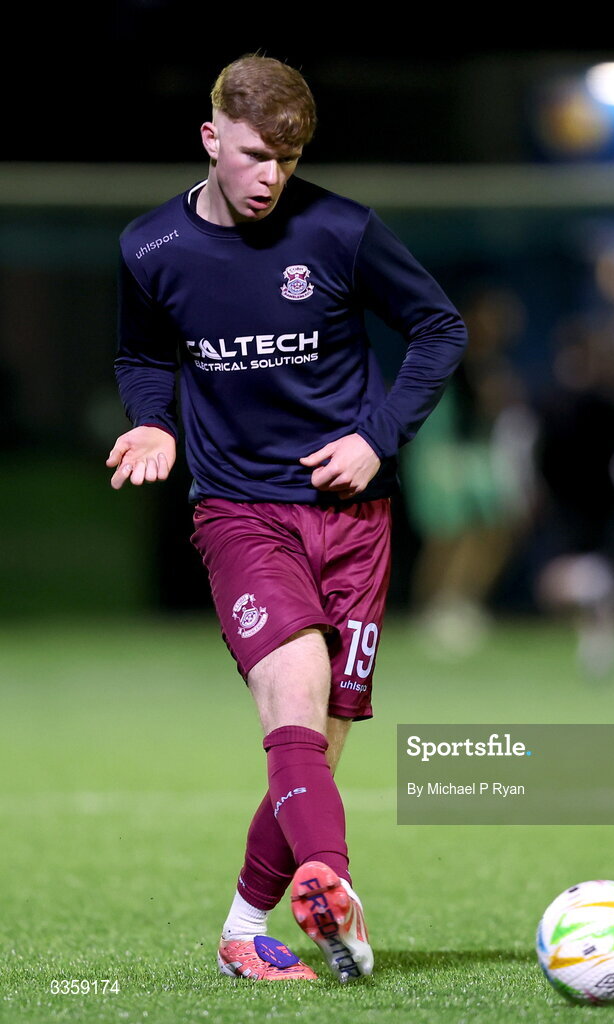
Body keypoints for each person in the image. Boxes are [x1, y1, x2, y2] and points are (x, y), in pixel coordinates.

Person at [106, 55, 467, 983]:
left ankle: (242, 932)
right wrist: (152, 420)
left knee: (321, 745)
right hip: (241, 514)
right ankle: (335, 891)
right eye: (257, 155)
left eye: (289, 161)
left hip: (356, 518)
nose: (271, 178)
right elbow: (144, 355)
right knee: (296, 705)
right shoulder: (150, 250)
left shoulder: (341, 230)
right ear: (211, 137)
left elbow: (439, 328)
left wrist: (380, 437)